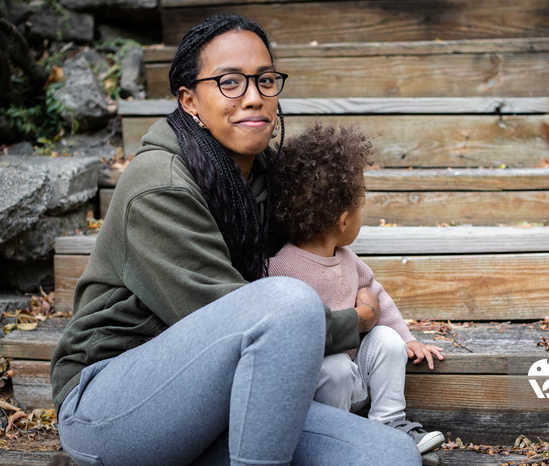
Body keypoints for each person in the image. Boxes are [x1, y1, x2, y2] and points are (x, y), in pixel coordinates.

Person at [49, 14, 422, 466]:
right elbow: (247, 316)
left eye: (265, 80)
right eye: (229, 82)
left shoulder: (261, 172)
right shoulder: (159, 186)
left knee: (390, 456)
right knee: (286, 301)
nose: (253, 97)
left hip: (219, 394)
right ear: (189, 100)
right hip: (112, 403)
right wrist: (357, 321)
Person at [267, 123, 446, 454]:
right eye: (361, 206)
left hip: (358, 373)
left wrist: (407, 339)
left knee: (386, 340)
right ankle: (336, 440)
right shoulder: (280, 268)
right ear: (344, 221)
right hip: (321, 389)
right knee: (333, 366)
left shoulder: (348, 259)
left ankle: (388, 422)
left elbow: (378, 297)